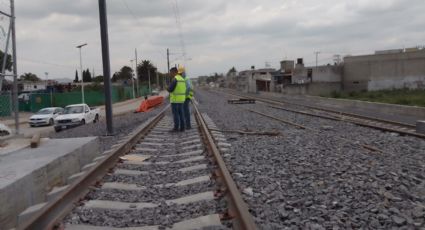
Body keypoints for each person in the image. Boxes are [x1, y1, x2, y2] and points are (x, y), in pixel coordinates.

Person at [167, 67, 186, 132]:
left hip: (175, 100)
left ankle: (176, 128)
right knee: (181, 114)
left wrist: (167, 87)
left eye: (171, 72)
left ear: (174, 72)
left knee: (176, 115)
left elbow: (170, 89)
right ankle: (182, 128)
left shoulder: (175, 79)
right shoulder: (182, 79)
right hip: (181, 100)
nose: (170, 74)